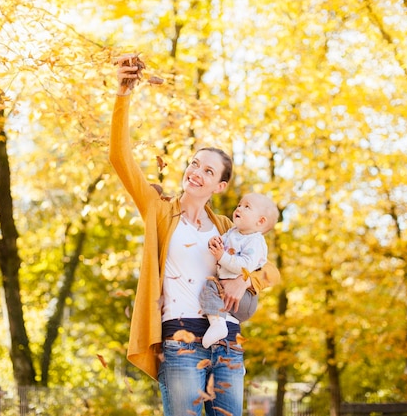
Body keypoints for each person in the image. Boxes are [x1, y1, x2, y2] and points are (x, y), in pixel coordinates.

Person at [109, 54, 281, 416]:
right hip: (181, 340)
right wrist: (123, 95)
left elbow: (272, 272)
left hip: (228, 344)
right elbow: (120, 158)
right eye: (193, 164)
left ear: (219, 185)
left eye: (208, 170)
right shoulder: (159, 211)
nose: (196, 173)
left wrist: (245, 280)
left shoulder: (227, 227)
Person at [200, 192, 279, 349]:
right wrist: (215, 241)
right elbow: (223, 242)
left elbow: (248, 267)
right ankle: (232, 349)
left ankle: (218, 325)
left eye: (247, 207)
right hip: (227, 293)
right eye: (239, 205)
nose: (240, 208)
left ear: (260, 221)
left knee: (209, 288)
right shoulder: (233, 232)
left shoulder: (255, 241)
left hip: (245, 298)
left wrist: (244, 280)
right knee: (211, 287)